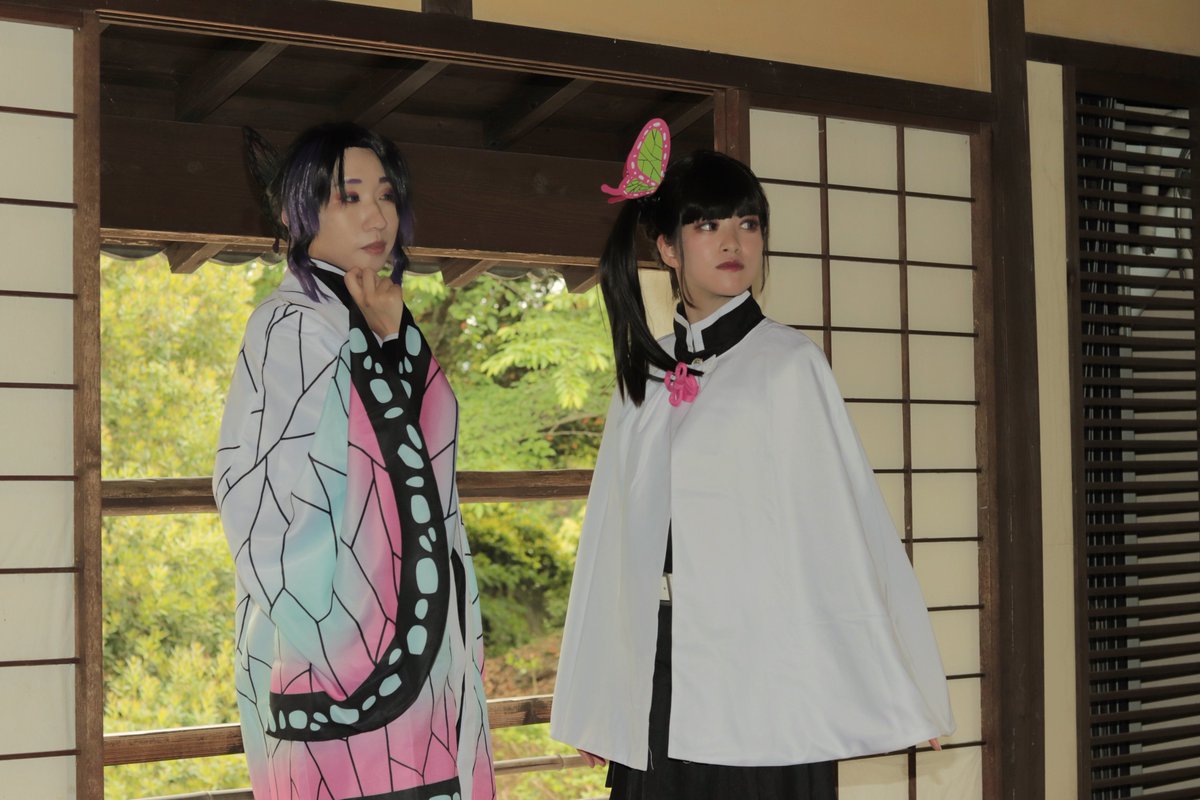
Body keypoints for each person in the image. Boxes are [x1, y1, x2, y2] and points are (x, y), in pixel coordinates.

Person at [550, 123, 955, 800]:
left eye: (748, 223)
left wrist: (902, 680)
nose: (733, 242)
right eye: (707, 225)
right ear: (667, 247)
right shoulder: (643, 372)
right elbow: (610, 545)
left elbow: (845, 530)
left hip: (771, 673)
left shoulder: (790, 365)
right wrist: (601, 695)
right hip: (662, 667)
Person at [214, 122, 495, 800]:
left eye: (386, 195)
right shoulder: (289, 323)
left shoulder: (373, 311)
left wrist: (392, 340)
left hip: (417, 641)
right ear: (296, 213)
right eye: (350, 197)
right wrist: (380, 353)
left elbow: (424, 467)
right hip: (330, 644)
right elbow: (275, 493)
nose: (377, 217)